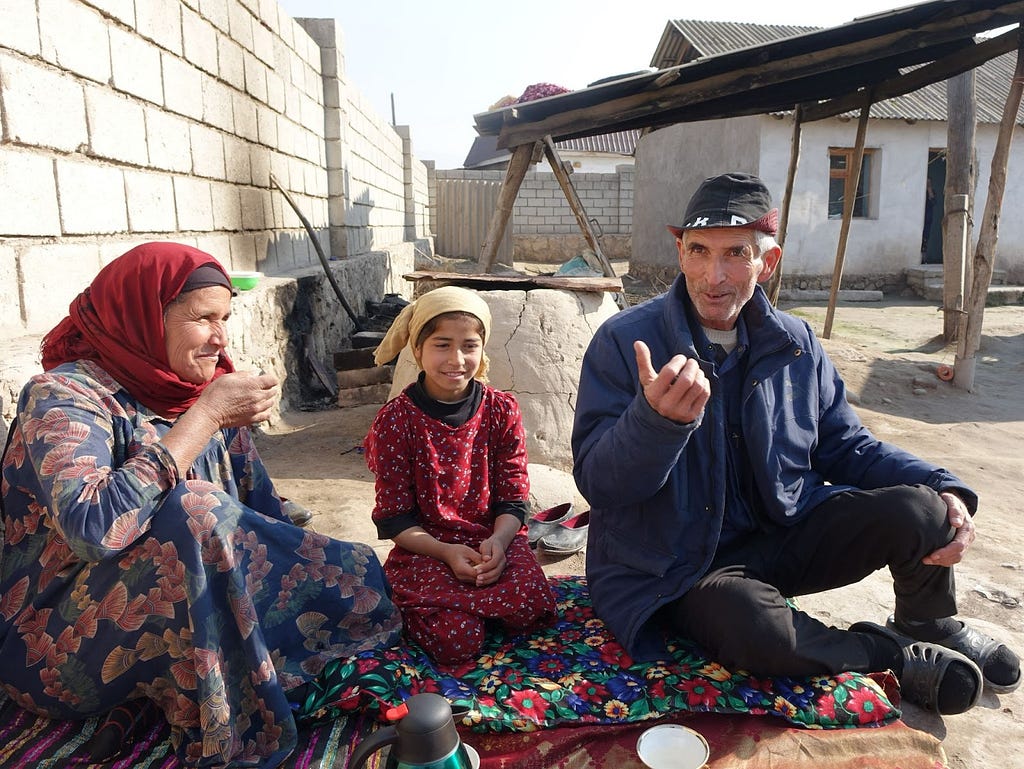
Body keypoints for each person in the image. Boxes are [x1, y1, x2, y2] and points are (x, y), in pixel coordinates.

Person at [572, 172, 1020, 716]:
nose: (713, 276)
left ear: (769, 261)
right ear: (680, 252)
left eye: (736, 253)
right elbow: (599, 482)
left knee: (923, 506)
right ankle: (889, 652)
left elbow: (847, 445)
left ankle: (928, 623)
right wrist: (655, 423)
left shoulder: (796, 341)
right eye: (698, 251)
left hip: (781, 533)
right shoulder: (625, 342)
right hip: (681, 564)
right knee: (756, 629)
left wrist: (945, 487)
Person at [0, 242, 401, 768]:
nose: (220, 337)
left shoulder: (195, 392)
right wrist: (205, 418)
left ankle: (175, 690)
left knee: (358, 587)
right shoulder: (63, 397)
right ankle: (225, 730)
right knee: (193, 512)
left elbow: (261, 521)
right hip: (53, 646)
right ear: (141, 316)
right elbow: (92, 528)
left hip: (170, 632)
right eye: (203, 319)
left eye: (226, 318)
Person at [366, 286, 556, 664]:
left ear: (482, 349)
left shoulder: (501, 410)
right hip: (428, 548)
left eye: (469, 345)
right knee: (457, 642)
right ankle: (465, 613)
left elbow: (513, 495)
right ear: (417, 349)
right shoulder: (395, 421)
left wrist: (500, 544)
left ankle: (473, 607)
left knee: (532, 604)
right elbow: (395, 516)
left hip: (491, 541)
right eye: (442, 345)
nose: (457, 359)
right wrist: (447, 551)